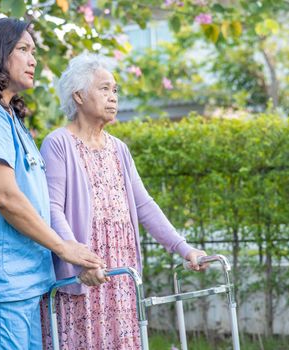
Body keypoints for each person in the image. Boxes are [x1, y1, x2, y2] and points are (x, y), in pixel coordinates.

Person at [0, 19, 105, 349]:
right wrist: (63, 246)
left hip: (23, 279)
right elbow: (5, 196)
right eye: (23, 49)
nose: (33, 60)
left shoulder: (9, 116)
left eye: (34, 51)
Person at [39, 52, 207, 349]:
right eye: (104, 89)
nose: (113, 96)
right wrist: (77, 259)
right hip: (86, 271)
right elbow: (51, 208)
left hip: (121, 271)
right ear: (78, 96)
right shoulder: (58, 143)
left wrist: (184, 248)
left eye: (115, 89)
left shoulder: (119, 149)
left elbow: (145, 206)